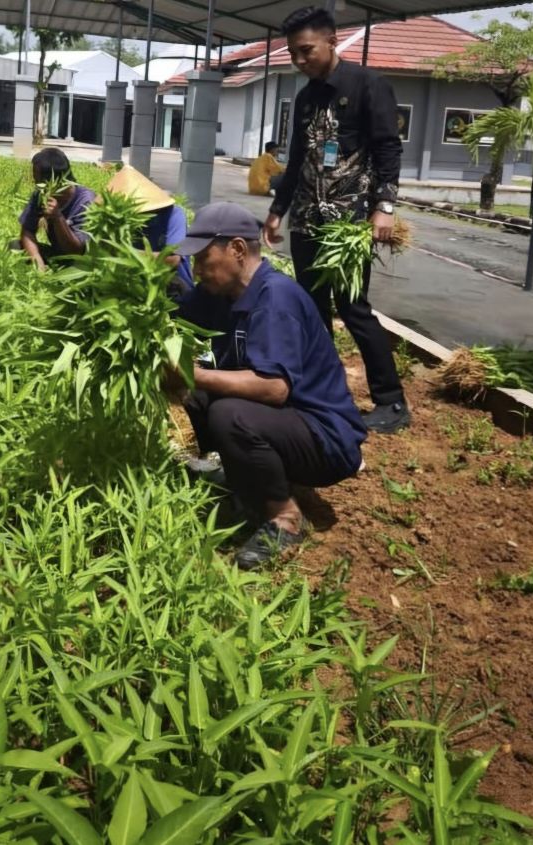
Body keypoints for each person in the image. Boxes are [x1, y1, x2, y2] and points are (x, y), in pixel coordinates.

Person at [175, 202, 367, 570]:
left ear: (237, 249)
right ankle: (244, 477)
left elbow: (273, 388)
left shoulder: (275, 298)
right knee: (200, 396)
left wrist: (188, 372)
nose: (196, 270)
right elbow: (171, 312)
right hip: (285, 423)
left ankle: (285, 517)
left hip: (324, 439)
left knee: (228, 413)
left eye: (203, 259)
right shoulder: (219, 292)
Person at [263, 6, 410, 435]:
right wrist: (277, 211)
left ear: (331, 40)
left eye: (306, 50)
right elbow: (296, 161)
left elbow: (388, 149)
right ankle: (325, 393)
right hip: (307, 221)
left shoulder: (368, 85)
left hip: (347, 222)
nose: (299, 60)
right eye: (293, 53)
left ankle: (391, 401)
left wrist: (384, 206)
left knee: (353, 308)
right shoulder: (306, 98)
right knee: (312, 309)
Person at [104, 165, 193, 296]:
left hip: (174, 287)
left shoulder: (174, 214)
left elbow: (173, 260)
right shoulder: (123, 220)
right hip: (138, 287)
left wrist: (125, 252)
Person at [18, 148, 95, 271]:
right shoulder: (40, 195)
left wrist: (58, 217)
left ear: (53, 180)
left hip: (80, 262)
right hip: (57, 255)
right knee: (15, 246)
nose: (34, 182)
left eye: (38, 180)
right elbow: (27, 231)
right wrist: (37, 262)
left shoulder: (86, 201)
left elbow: (77, 251)